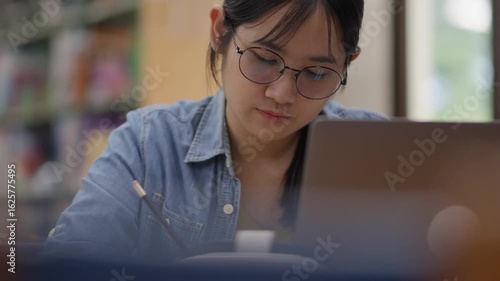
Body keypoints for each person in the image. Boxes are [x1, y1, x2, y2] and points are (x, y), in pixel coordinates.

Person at [43, 0, 387, 261]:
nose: (282, 95)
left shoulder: (381, 153)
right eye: (264, 59)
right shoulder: (147, 146)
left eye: (315, 73)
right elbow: (69, 267)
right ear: (220, 31)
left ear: (346, 65)